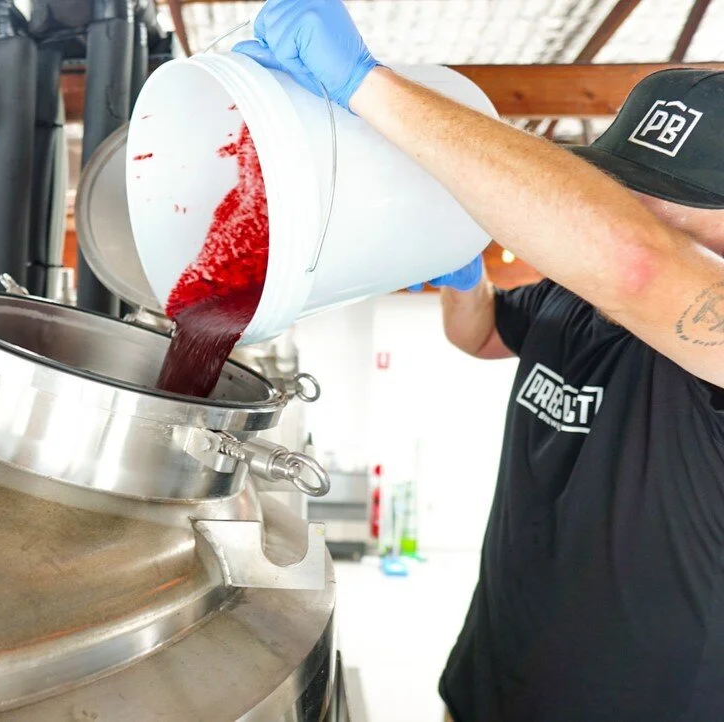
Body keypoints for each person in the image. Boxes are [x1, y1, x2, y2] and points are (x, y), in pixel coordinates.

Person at [234, 2, 724, 720]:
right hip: (492, 677)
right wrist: (464, 274)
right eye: (619, 189)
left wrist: (369, 86)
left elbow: (639, 267)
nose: (624, 212)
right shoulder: (572, 294)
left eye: (668, 203)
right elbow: (481, 335)